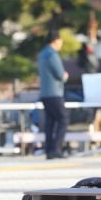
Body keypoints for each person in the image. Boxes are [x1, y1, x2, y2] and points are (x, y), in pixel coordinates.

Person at [37, 30, 69, 159]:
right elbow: (60, 75)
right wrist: (65, 76)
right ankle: (56, 148)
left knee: (50, 121)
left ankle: (49, 149)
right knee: (63, 119)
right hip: (55, 92)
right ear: (56, 40)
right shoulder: (52, 54)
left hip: (44, 92)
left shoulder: (42, 54)